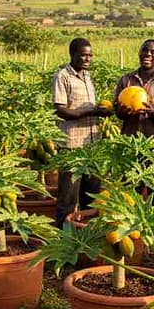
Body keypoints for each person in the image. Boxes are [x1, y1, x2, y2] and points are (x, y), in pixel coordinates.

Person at [52, 37, 113, 227]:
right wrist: (93, 111)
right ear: (73, 54)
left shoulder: (87, 76)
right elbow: (60, 110)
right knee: (68, 197)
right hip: (72, 147)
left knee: (91, 196)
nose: (87, 59)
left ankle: (88, 236)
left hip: (92, 147)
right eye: (83, 55)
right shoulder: (63, 76)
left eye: (89, 56)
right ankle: (63, 238)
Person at [113, 39, 154, 202]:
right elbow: (117, 112)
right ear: (139, 53)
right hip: (130, 146)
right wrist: (122, 111)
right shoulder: (126, 80)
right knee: (128, 194)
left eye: (152, 52)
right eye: (144, 50)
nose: (148, 54)